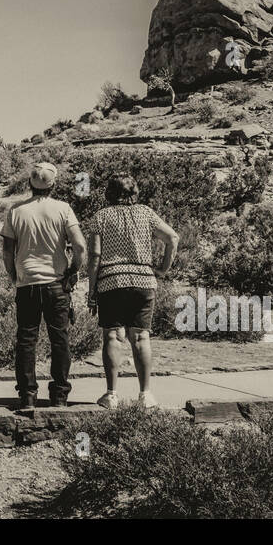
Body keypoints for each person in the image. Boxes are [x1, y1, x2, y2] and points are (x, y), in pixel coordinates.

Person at [86, 174, 178, 409]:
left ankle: (111, 394)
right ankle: (145, 394)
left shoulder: (101, 217)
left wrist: (92, 289)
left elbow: (95, 255)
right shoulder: (146, 213)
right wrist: (163, 269)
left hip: (111, 281)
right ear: (134, 191)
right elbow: (172, 237)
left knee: (113, 336)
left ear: (110, 192)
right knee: (141, 337)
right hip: (143, 281)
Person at [0, 161, 86, 409]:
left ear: (30, 184)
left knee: (26, 339)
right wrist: (73, 269)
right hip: (55, 283)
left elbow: (7, 250)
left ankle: (27, 395)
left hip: (27, 283)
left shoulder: (16, 211)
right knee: (60, 339)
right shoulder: (63, 209)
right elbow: (79, 246)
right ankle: (59, 395)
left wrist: (13, 275)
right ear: (53, 184)